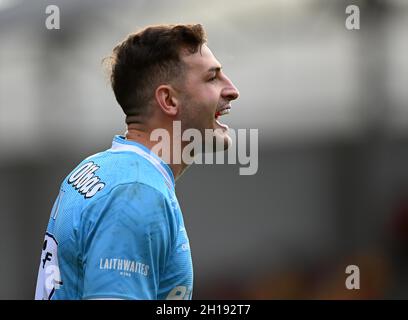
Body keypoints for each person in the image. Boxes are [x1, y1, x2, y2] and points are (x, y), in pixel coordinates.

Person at [35, 23, 239, 300]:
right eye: (212, 78)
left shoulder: (96, 169)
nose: (232, 90)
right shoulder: (137, 191)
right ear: (168, 100)